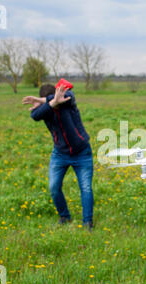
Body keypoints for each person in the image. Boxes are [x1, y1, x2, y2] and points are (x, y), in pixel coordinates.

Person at [22, 79, 94, 230]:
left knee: (86, 188)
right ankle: (64, 217)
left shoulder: (68, 100)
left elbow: (70, 94)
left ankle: (87, 222)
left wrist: (50, 100)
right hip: (60, 154)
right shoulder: (45, 110)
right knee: (54, 187)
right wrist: (50, 103)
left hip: (82, 152)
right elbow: (34, 116)